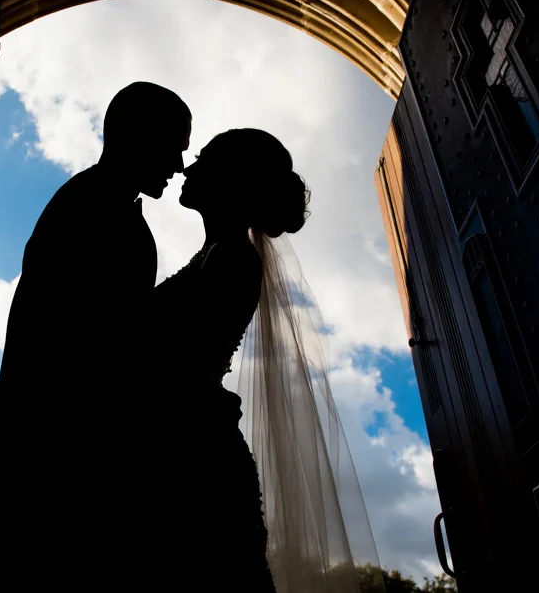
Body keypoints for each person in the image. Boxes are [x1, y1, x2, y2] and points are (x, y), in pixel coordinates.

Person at [0, 82, 192, 592]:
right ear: (137, 134)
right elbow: (90, 350)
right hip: (53, 466)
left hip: (50, 462)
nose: (179, 163)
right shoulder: (95, 209)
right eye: (175, 144)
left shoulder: (105, 205)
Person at [147, 129, 378, 592]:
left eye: (204, 159)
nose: (189, 168)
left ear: (233, 177)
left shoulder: (233, 261)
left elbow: (174, 368)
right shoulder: (213, 255)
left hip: (191, 463)